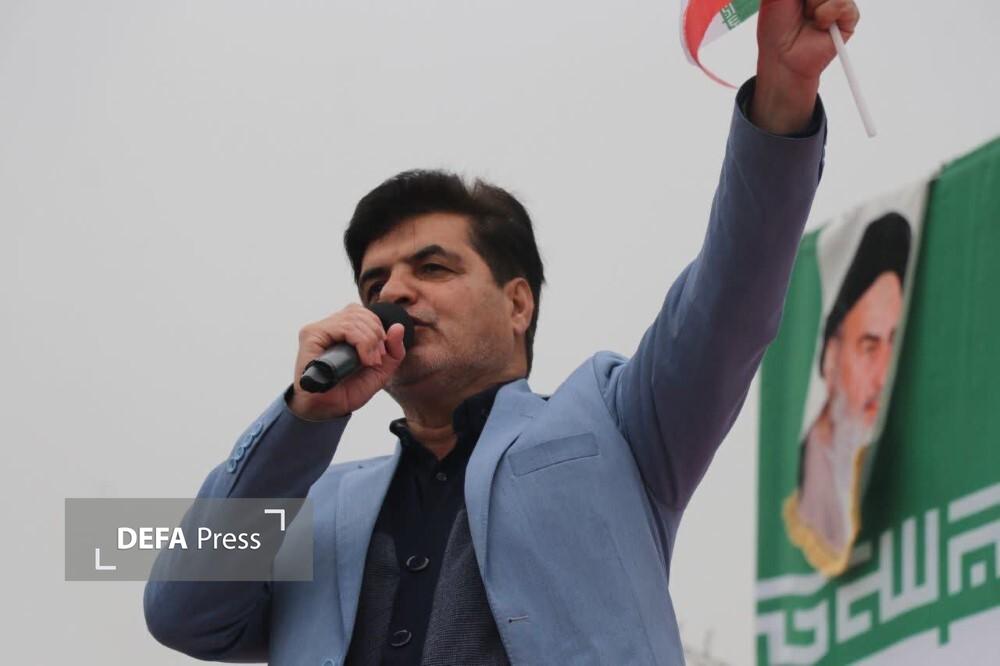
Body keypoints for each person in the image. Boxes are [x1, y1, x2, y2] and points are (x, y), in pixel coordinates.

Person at [144, 1, 860, 663]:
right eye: (373, 284)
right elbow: (181, 609)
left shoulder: (619, 424)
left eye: (432, 267)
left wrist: (784, 92)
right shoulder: (319, 504)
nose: (393, 294)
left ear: (518, 304)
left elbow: (731, 298)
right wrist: (302, 418)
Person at [784, 212, 911, 575]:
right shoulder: (810, 490)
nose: (882, 376)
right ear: (831, 356)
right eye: (869, 347)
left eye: (893, 343)